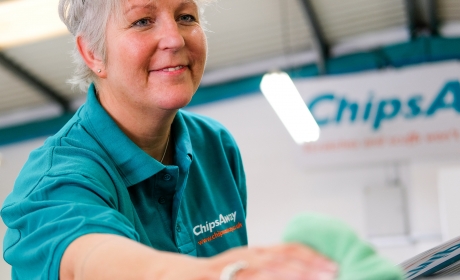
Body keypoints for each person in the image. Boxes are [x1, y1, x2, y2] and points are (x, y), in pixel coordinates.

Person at [1, 0, 338, 279]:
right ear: (93, 53)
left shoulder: (216, 146)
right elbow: (90, 255)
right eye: (143, 21)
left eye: (185, 17)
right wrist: (215, 273)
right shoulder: (55, 180)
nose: (174, 39)